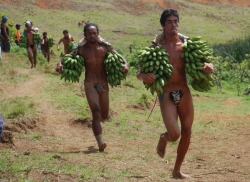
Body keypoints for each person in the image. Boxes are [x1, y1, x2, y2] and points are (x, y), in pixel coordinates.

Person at [137, 9, 214, 179]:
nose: (174, 25)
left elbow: (205, 62)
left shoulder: (186, 44)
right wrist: (144, 76)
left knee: (187, 131)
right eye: (170, 22)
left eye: (176, 21)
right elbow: (139, 72)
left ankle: (177, 170)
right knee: (175, 134)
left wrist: (209, 67)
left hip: (183, 90)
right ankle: (164, 138)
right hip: (166, 93)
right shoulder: (156, 47)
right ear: (163, 26)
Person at [76, 23, 128, 152]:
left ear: (97, 34)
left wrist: (125, 64)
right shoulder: (81, 49)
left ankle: (96, 124)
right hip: (90, 83)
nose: (92, 35)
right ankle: (100, 143)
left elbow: (120, 57)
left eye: (94, 33)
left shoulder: (105, 47)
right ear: (85, 35)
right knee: (96, 111)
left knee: (104, 115)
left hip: (103, 84)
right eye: (89, 33)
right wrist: (60, 64)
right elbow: (68, 57)